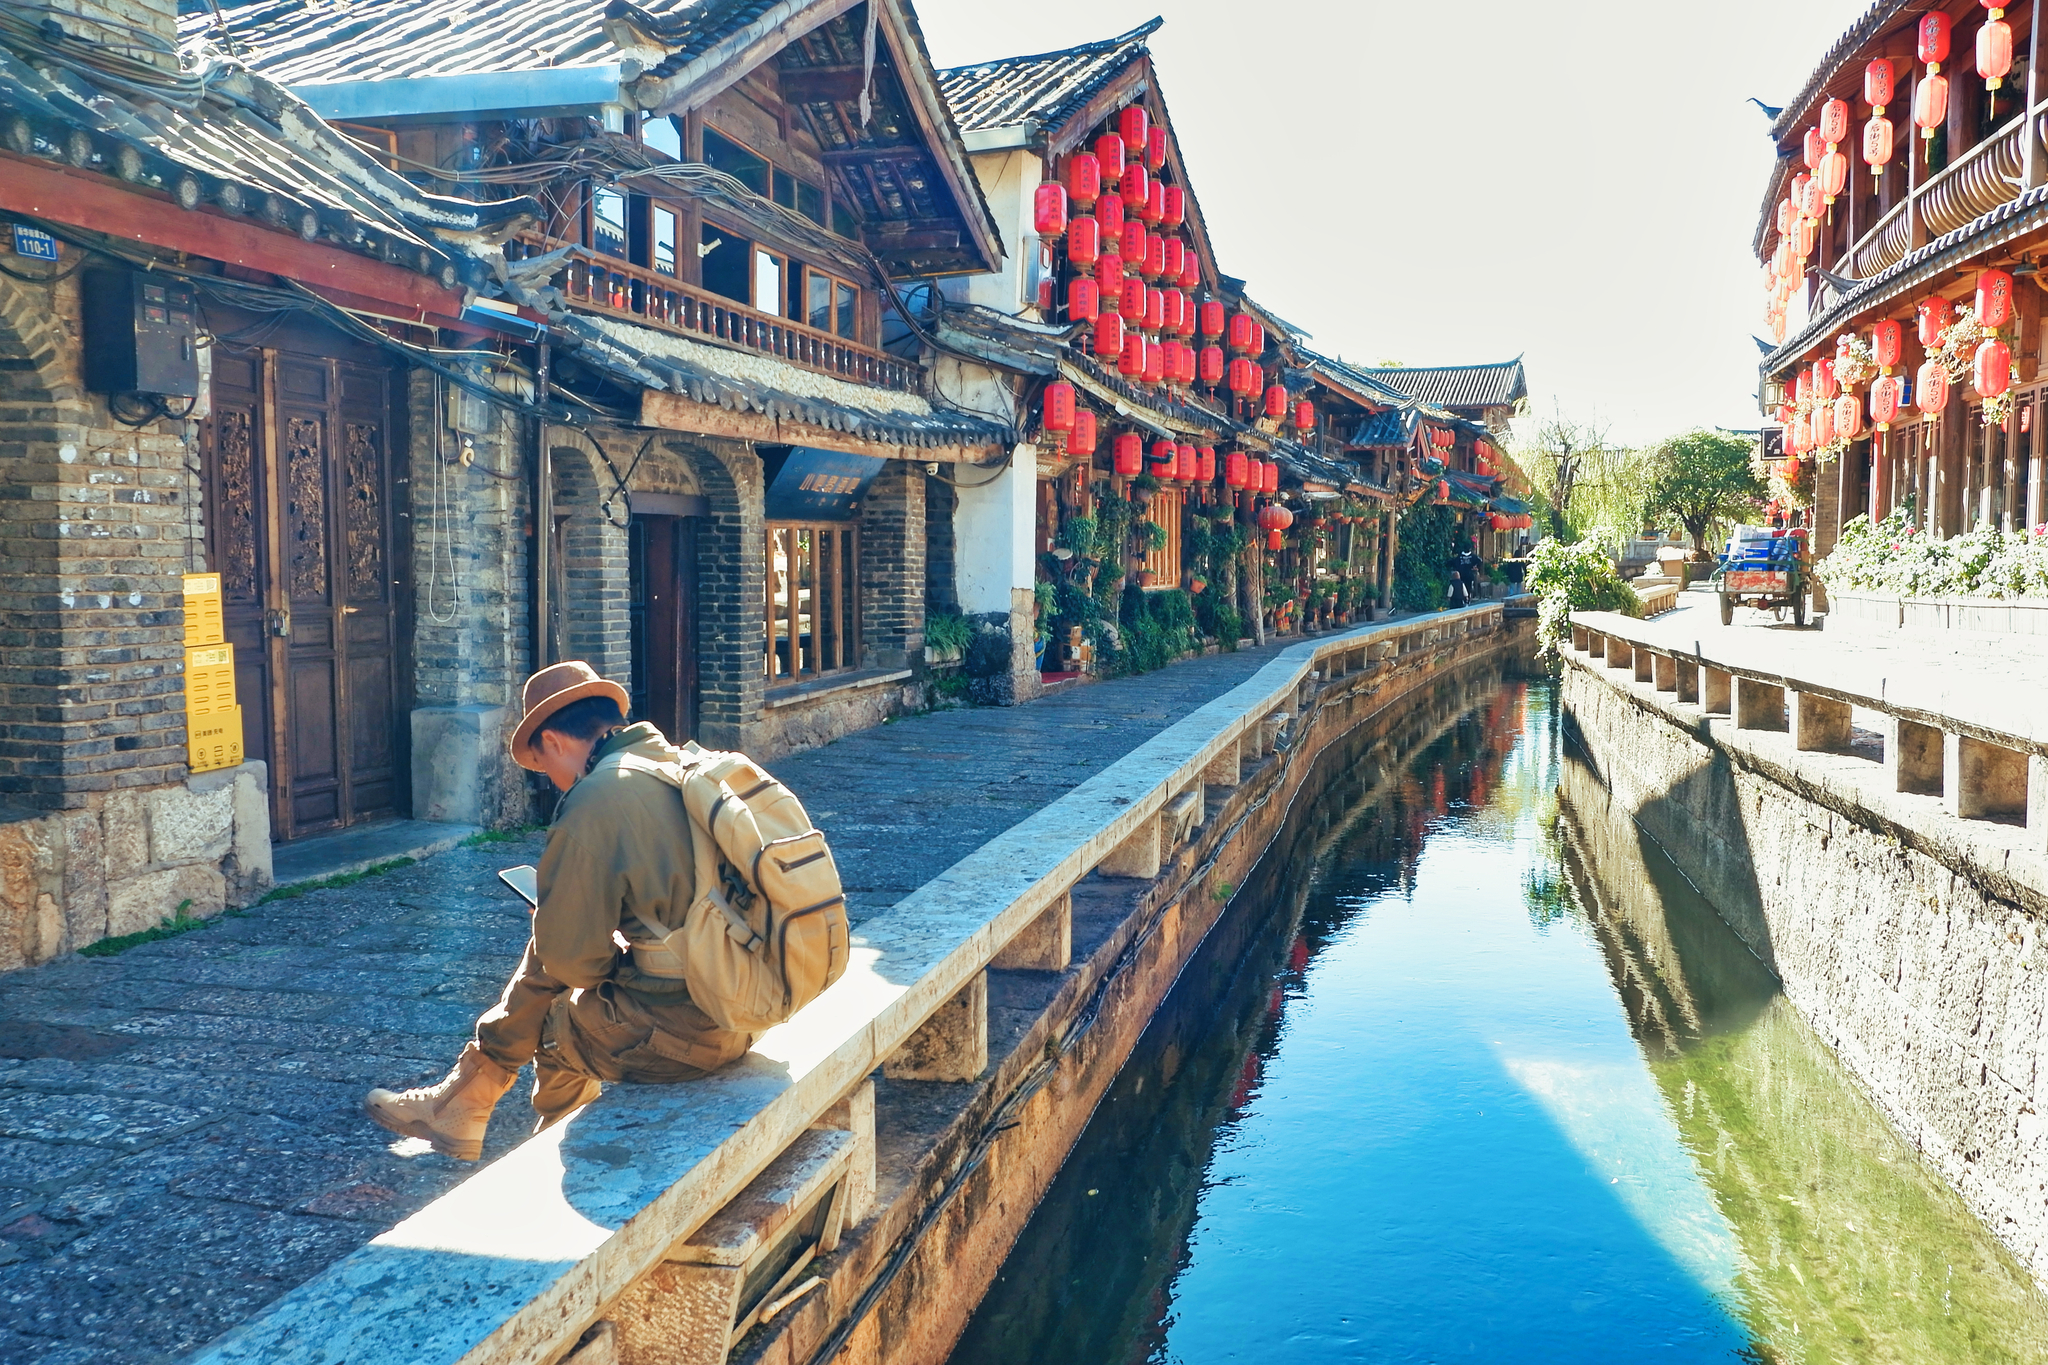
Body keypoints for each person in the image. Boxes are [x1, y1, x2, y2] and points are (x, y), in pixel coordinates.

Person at [363, 661, 753, 1160]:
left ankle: (554, 1162)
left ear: (551, 740)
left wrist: (596, 950)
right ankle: (462, 1106)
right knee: (559, 946)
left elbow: (574, 964)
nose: (549, 779)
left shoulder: (596, 800)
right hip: (744, 1006)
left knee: (552, 1019)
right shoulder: (675, 766)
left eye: (541, 764)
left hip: (691, 1034)